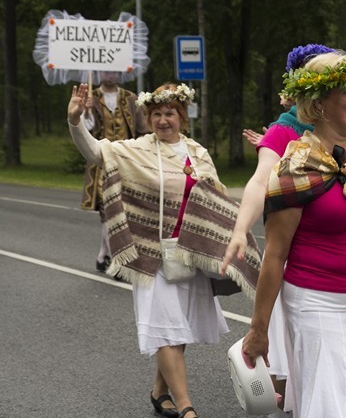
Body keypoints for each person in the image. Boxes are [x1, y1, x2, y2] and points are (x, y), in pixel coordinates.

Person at [241, 50, 346, 418]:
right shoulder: (294, 165)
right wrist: (259, 329)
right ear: (319, 104)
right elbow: (274, 255)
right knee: (343, 408)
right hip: (316, 306)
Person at [68, 82, 230, 418]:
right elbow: (96, 152)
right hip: (151, 256)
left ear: (181, 115)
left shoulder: (198, 153)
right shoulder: (138, 149)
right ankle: (187, 408)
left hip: (189, 254)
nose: (162, 120)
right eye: (156, 114)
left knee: (176, 329)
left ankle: (159, 392)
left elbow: (217, 200)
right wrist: (75, 121)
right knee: (167, 328)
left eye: (169, 113)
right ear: (148, 118)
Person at [222, 43, 335, 417]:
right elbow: (258, 182)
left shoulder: (343, 132)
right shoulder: (285, 132)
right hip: (296, 262)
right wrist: (242, 228)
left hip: (338, 265)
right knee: (288, 359)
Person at [80, 71, 148, 273]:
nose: (110, 74)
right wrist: (87, 111)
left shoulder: (130, 98)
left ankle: (103, 255)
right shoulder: (89, 96)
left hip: (127, 161)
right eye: (106, 70)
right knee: (108, 212)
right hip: (101, 163)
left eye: (114, 70)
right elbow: (84, 129)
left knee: (123, 211)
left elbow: (143, 130)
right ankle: (118, 263)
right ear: (99, 72)